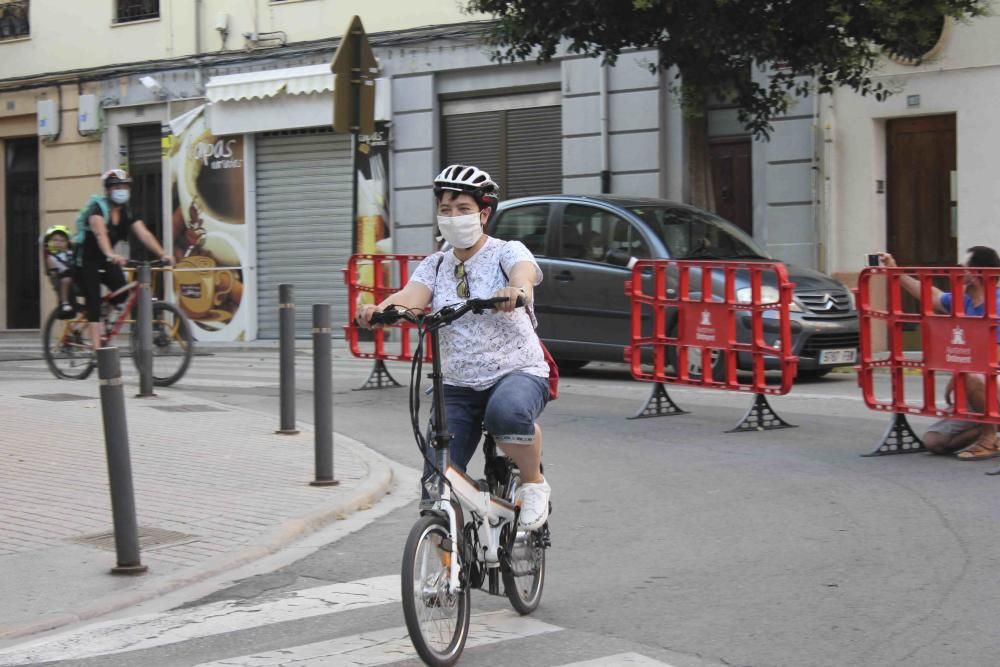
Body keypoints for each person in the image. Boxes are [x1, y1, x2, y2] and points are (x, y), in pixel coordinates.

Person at [356, 164, 552, 530]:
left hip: (515, 371)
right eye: (445, 210)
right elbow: (410, 299)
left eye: (462, 209)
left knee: (506, 415)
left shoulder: (507, 251)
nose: (453, 217)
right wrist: (378, 310)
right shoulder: (435, 264)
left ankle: (533, 483)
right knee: (436, 483)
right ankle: (443, 566)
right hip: (457, 384)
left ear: (484, 213)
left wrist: (517, 292)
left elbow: (523, 276)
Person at [879, 246, 1000, 459]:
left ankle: (989, 438)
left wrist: (961, 376)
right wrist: (895, 271)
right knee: (934, 442)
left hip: (992, 381)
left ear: (978, 273)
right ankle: (991, 430)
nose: (958, 272)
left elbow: (993, 359)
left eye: (963, 268)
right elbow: (930, 295)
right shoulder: (963, 301)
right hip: (975, 385)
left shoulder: (997, 304)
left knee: (974, 376)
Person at [74, 169, 174, 352]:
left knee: (122, 291)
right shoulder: (97, 209)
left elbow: (144, 234)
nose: (122, 190)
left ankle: (105, 317)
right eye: (117, 186)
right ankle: (98, 353)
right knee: (93, 301)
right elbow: (100, 233)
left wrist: (162, 254)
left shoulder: (127, 212)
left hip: (106, 259)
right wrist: (111, 254)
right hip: (86, 260)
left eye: (125, 186)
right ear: (108, 190)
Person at [41, 225, 77, 319]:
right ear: (49, 242)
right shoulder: (51, 258)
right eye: (55, 240)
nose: (58, 243)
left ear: (67, 243)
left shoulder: (69, 253)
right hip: (62, 279)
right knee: (66, 279)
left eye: (62, 241)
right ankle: (65, 302)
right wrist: (54, 274)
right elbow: (53, 273)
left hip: (75, 277)